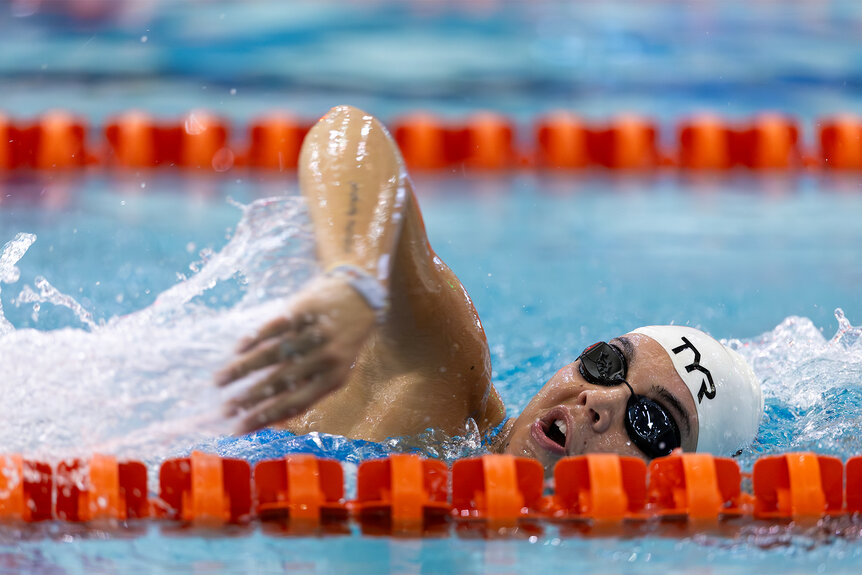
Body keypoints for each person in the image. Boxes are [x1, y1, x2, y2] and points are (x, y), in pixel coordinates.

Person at [216, 105, 763, 473]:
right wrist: (352, 276)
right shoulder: (439, 378)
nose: (599, 400)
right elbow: (349, 133)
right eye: (605, 363)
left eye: (653, 423)